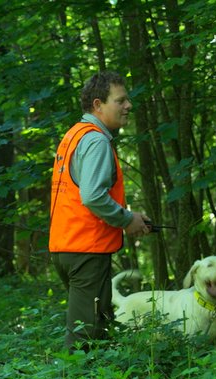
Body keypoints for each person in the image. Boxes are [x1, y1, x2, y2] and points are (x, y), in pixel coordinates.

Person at [49, 71, 151, 352]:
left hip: (67, 248)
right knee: (84, 339)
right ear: (98, 105)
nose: (128, 105)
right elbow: (92, 195)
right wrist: (127, 219)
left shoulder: (73, 135)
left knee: (98, 327)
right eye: (120, 100)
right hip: (85, 250)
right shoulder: (95, 141)